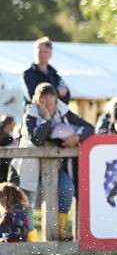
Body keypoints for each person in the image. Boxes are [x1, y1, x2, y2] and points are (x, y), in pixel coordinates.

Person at [14, 83, 94, 240]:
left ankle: (60, 230)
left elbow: (89, 127)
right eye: (43, 97)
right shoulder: (30, 114)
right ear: (36, 99)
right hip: (29, 165)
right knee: (27, 201)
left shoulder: (63, 112)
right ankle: (30, 238)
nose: (48, 100)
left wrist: (77, 137)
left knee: (67, 189)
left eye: (51, 96)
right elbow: (37, 139)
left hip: (54, 165)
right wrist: (48, 119)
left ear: (56, 99)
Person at [23, 37, 71, 105]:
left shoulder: (55, 75)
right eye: (40, 51)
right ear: (34, 52)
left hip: (53, 113)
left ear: (50, 54)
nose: (43, 55)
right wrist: (56, 92)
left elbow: (65, 96)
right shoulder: (28, 74)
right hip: (35, 113)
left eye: (46, 52)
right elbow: (33, 96)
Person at [0, 115, 16, 185]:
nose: (14, 125)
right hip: (2, 166)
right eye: (13, 123)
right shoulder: (8, 139)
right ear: (8, 124)